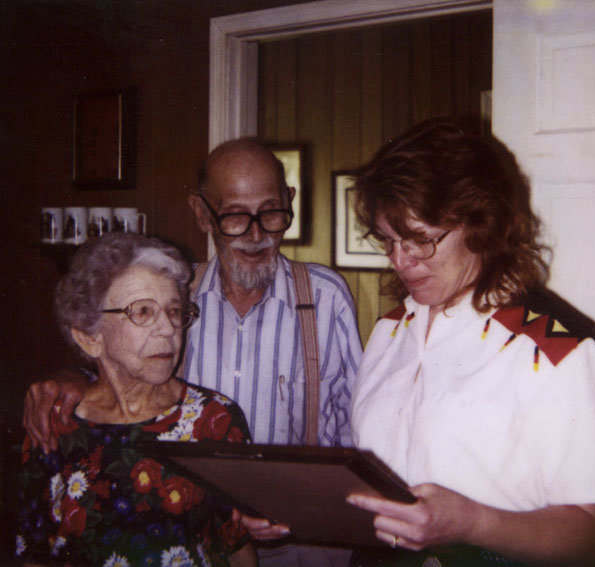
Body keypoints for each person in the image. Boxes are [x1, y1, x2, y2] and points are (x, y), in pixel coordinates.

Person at [23, 139, 363, 566]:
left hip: (300, 546)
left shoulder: (325, 298)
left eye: (272, 212)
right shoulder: (174, 297)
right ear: (202, 214)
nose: (257, 235)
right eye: (236, 216)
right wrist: (75, 377)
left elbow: (357, 435)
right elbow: (123, 364)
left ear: (290, 202)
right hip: (194, 541)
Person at [345, 117, 595, 567]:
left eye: (422, 241)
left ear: (481, 225)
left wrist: (469, 522)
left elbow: (592, 538)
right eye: (388, 241)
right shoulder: (390, 332)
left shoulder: (558, 352)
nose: (400, 261)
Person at [16, 232, 256, 567]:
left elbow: (236, 549)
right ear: (90, 337)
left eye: (175, 310)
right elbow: (34, 551)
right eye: (142, 312)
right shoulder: (55, 422)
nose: (168, 329)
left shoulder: (214, 419)